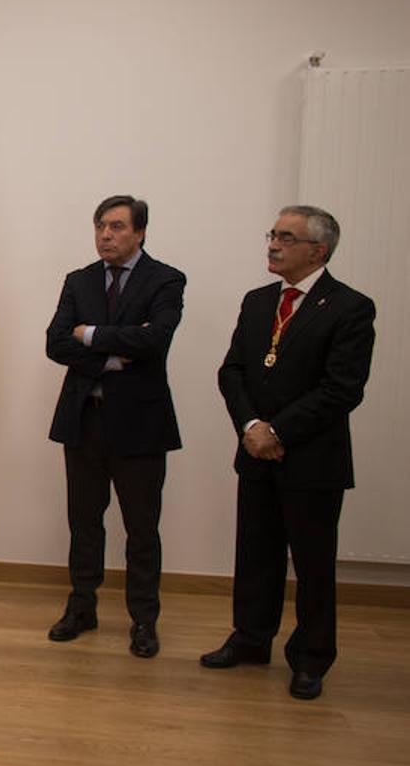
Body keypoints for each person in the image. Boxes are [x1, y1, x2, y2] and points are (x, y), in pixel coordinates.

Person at [204, 205, 375, 700]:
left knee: (313, 563)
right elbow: (232, 371)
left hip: (312, 459)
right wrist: (252, 426)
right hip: (256, 452)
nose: (273, 245)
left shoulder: (349, 307)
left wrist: (279, 430)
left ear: (318, 251)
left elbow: (343, 388)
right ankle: (251, 639)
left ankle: (311, 658)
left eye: (286, 238)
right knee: (255, 554)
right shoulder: (258, 302)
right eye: (272, 235)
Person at [45, 195, 186, 658]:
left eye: (117, 227)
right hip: (85, 420)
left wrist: (90, 334)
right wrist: (110, 354)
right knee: (84, 522)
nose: (106, 235)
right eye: (101, 226)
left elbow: (154, 339)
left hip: (140, 425)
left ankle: (144, 620)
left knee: (141, 528)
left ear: (140, 232)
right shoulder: (79, 280)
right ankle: (81, 606)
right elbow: (56, 343)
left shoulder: (165, 279)